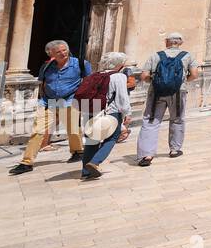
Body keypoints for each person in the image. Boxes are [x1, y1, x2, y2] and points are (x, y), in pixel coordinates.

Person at [10, 40, 90, 175]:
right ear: (50, 54)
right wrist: (42, 99)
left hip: (70, 100)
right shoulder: (46, 67)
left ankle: (77, 151)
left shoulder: (81, 64)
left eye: (65, 50)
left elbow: (88, 81)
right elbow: (43, 83)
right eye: (58, 52)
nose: (63, 53)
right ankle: (26, 162)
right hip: (48, 101)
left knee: (74, 129)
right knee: (38, 130)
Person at [136, 32, 200, 167]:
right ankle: (175, 149)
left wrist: (155, 82)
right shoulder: (187, 56)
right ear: (180, 42)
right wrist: (182, 81)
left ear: (167, 41)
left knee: (151, 121)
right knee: (177, 119)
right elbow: (194, 74)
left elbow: (144, 75)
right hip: (178, 92)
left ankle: (147, 155)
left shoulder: (156, 55)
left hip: (157, 93)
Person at [80, 55, 138, 181]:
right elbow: (122, 97)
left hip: (91, 110)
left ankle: (86, 171)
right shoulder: (119, 76)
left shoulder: (94, 75)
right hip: (110, 112)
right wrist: (127, 113)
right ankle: (95, 162)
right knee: (113, 137)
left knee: (92, 140)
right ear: (119, 65)